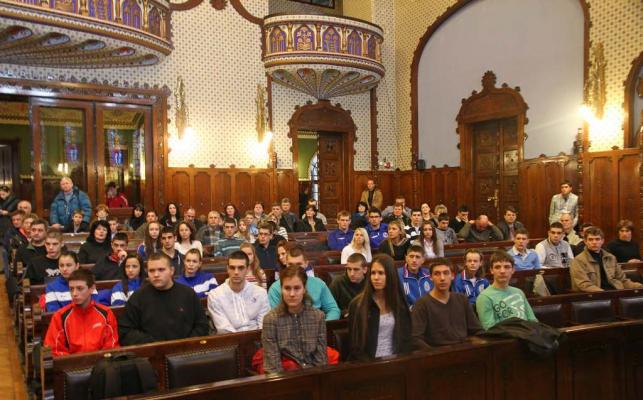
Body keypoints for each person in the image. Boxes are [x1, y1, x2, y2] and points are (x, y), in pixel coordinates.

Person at [118, 252, 210, 345]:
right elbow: (126, 332)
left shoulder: (188, 294)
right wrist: (154, 345)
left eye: (161, 270)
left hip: (186, 349)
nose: (156, 274)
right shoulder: (138, 297)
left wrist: (186, 344)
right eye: (151, 271)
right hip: (151, 350)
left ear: (172, 271)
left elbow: (202, 325)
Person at [261, 265, 327, 373]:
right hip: (285, 376)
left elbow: (321, 360)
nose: (292, 294)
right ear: (281, 289)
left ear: (304, 289)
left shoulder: (318, 316)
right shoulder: (271, 319)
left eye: (297, 288)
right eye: (287, 288)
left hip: (314, 375)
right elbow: (273, 366)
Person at [348, 254, 411, 360]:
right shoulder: (358, 304)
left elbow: (406, 340)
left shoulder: (400, 303)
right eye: (373, 273)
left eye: (381, 273)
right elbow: (355, 345)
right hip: (368, 363)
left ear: (390, 275)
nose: (376, 278)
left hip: (397, 360)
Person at [44, 269, 119, 356]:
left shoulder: (106, 313)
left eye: (80, 288)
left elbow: (111, 346)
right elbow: (54, 350)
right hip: (70, 363)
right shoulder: (60, 316)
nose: (74, 294)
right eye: (71, 289)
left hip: (101, 362)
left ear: (92, 288)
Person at [412, 258, 483, 349]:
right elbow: (416, 338)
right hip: (437, 353)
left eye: (446, 273)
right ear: (431, 277)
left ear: (452, 276)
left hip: (463, 350)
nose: (442, 278)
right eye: (437, 274)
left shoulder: (462, 299)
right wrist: (434, 353)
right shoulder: (421, 304)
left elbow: (476, 329)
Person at [268, 246, 340, 320]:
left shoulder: (319, 284)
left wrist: (322, 324)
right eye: (290, 264)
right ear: (286, 264)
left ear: (306, 264)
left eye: (299, 264)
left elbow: (333, 310)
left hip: (317, 322)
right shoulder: (275, 288)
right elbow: (275, 317)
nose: (295, 268)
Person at [207, 250, 270, 333]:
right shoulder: (215, 296)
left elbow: (264, 325)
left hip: (259, 338)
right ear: (227, 269)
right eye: (232, 268)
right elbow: (224, 329)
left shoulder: (260, 293)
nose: (236, 272)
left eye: (241, 268)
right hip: (230, 340)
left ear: (247, 269)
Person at [476, 251, 538, 330]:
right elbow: (490, 329)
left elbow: (533, 320)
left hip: (528, 333)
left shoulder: (519, 292)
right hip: (506, 336)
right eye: (497, 267)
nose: (502, 271)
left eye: (507, 267)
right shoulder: (484, 297)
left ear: (513, 270)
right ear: (491, 270)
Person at [570, 227, 643, 292]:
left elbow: (623, 280)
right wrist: (604, 293)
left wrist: (639, 286)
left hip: (614, 292)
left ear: (602, 241)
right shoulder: (578, 261)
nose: (594, 242)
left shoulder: (611, 258)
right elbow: (584, 285)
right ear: (585, 241)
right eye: (590, 239)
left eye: (597, 239)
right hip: (594, 295)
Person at [330, 253, 367, 318]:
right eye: (349, 269)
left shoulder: (370, 281)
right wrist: (344, 313)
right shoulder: (338, 282)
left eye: (356, 269)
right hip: (344, 320)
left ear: (365, 270)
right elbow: (330, 308)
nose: (352, 274)